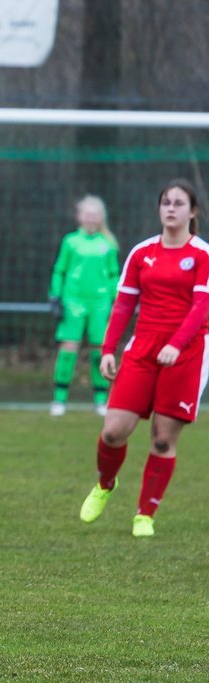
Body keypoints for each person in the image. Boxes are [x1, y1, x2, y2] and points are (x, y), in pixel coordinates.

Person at [79, 179, 209, 537]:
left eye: (179, 203)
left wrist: (177, 344)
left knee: (163, 439)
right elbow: (124, 305)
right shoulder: (142, 253)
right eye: (166, 202)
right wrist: (108, 349)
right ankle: (106, 484)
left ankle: (144, 515)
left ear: (192, 211)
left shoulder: (201, 254)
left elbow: (202, 306)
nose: (171, 208)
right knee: (113, 431)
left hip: (187, 352)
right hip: (143, 349)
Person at [48, 195, 121, 416]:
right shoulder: (71, 241)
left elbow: (113, 275)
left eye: (95, 214)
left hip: (100, 303)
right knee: (68, 349)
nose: (90, 218)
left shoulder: (107, 244)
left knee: (100, 350)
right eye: (87, 214)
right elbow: (60, 269)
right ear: (79, 216)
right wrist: (55, 295)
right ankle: (59, 400)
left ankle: (101, 399)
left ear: (101, 218)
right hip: (73, 302)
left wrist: (116, 300)